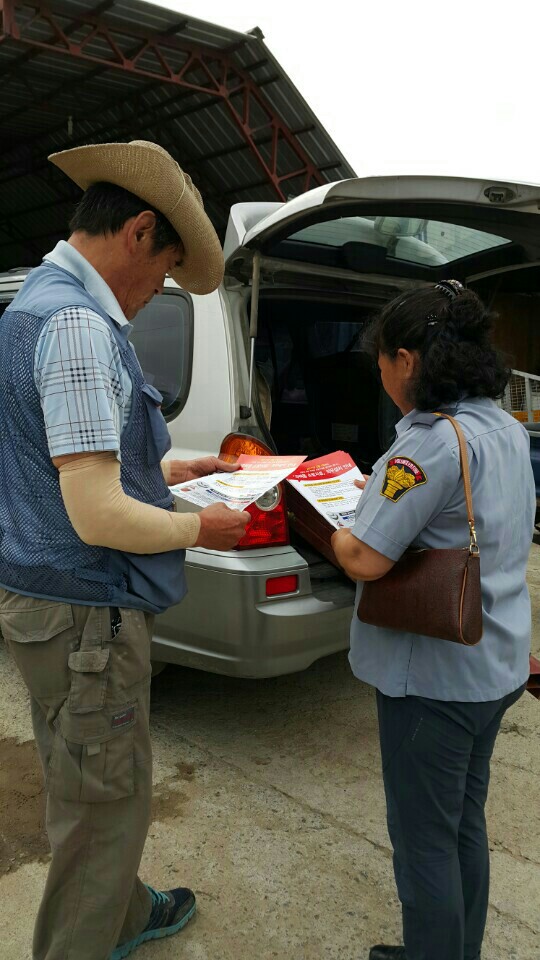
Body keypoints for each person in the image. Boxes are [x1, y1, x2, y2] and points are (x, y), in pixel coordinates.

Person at [0, 140, 250, 960]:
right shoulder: (78, 325)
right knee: (103, 816)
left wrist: (176, 469)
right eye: (165, 270)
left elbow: (66, 460)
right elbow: (98, 513)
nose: (156, 293)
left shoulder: (33, 305)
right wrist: (201, 528)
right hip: (87, 619)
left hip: (48, 608)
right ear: (139, 231)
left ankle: (130, 913)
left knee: (92, 786)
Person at [331, 280, 535, 960]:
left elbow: (364, 556)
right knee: (461, 824)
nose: (382, 375)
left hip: (434, 683)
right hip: (493, 665)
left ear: (407, 360)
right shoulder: (505, 427)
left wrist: (335, 528)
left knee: (424, 843)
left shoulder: (427, 445)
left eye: (381, 361)